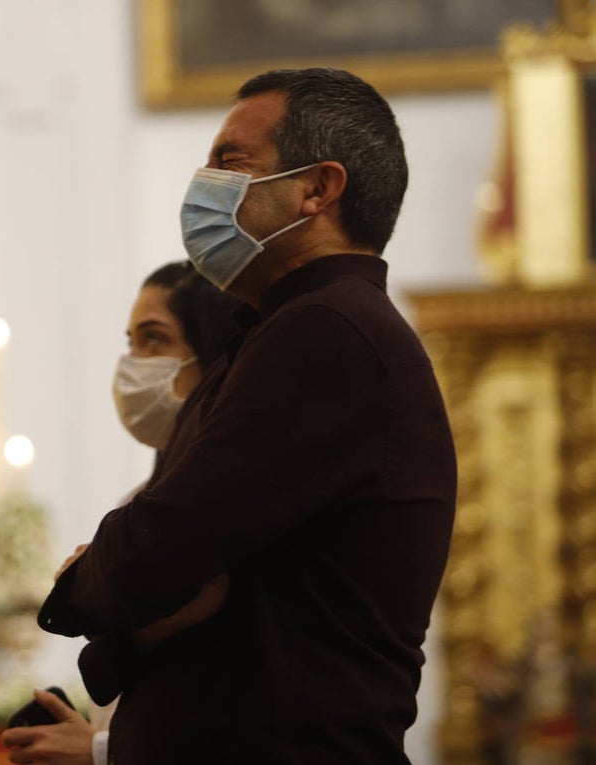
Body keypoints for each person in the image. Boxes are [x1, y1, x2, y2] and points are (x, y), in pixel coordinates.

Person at [38, 67, 457, 763]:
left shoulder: (329, 332)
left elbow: (164, 542)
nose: (203, 182)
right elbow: (181, 569)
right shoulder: (275, 330)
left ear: (317, 189)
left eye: (230, 161)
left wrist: (82, 584)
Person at [1, 261, 240, 765]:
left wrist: (101, 751)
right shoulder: (139, 500)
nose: (133, 362)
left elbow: (216, 679)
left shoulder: (223, 499)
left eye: (154, 340)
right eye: (131, 342)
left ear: (214, 349)